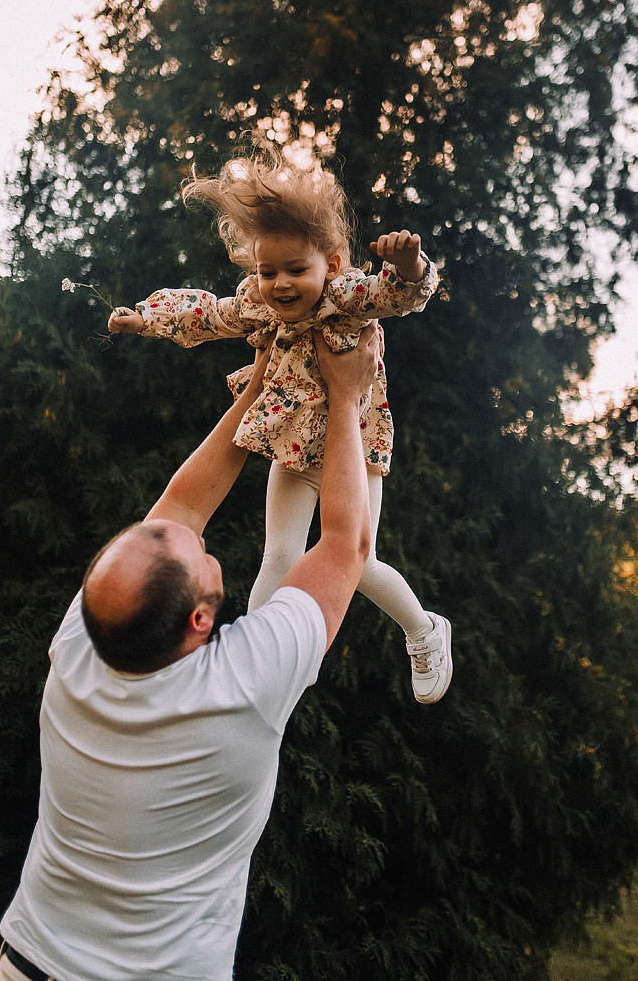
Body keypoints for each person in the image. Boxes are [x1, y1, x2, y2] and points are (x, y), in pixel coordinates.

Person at [0, 327, 384, 981]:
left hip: (29, 964)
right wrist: (347, 400)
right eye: (199, 558)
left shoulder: (82, 644)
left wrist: (258, 386)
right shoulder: (243, 686)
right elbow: (344, 542)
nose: (199, 541)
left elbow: (178, 507)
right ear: (200, 620)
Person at [108, 147, 452, 704]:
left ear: (333, 265)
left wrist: (410, 265)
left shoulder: (347, 299)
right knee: (279, 554)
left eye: (297, 270)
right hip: (293, 448)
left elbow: (400, 294)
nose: (281, 284)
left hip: (355, 451)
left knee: (354, 560)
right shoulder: (260, 304)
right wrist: (148, 317)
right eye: (268, 271)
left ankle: (424, 630)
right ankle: (262, 662)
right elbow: (208, 313)